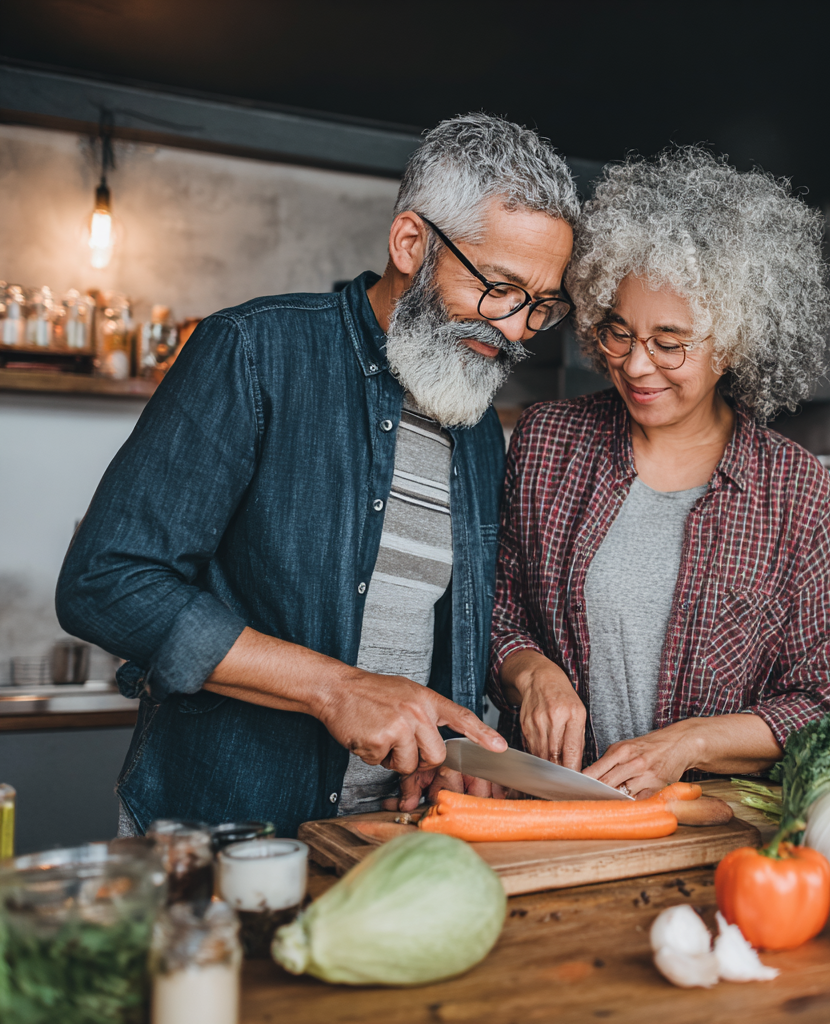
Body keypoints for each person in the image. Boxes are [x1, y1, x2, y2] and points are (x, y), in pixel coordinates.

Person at [56, 113, 578, 835]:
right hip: (219, 832)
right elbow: (106, 583)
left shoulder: (479, 423)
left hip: (388, 836)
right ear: (410, 243)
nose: (518, 329)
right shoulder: (255, 352)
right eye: (501, 288)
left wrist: (462, 730)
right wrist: (336, 690)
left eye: (541, 306)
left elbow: (446, 625)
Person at [489, 147, 830, 799]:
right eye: (617, 332)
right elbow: (499, 609)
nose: (635, 366)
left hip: (712, 827)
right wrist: (532, 674)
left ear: (735, 341)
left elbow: (828, 701)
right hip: (551, 811)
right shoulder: (548, 442)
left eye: (669, 343)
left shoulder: (793, 488)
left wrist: (690, 743)